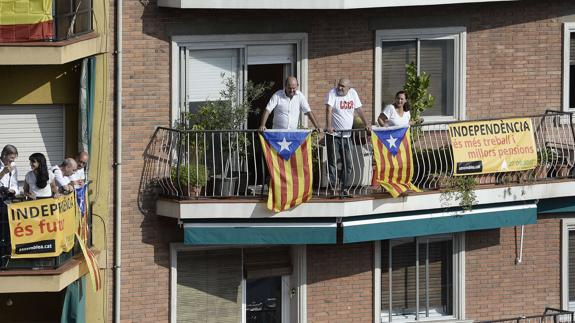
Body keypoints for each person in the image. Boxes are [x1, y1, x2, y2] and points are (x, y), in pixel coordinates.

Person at [325, 78, 371, 196]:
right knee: (333, 162)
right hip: (334, 135)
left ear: (349, 88)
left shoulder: (353, 93)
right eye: (339, 85)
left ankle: (344, 188)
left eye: (343, 86)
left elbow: (359, 110)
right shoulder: (332, 93)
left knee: (348, 163)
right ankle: (333, 188)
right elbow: (328, 110)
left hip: (347, 135)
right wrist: (329, 126)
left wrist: (366, 124)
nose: (339, 88)